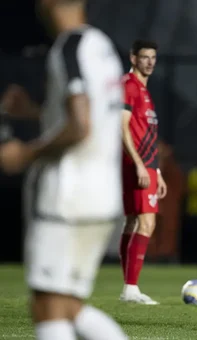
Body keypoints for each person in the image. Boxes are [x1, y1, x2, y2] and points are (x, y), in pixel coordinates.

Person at [0, 0, 127, 339]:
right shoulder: (103, 46)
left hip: (68, 194)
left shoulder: (69, 47)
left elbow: (81, 125)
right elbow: (91, 116)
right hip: (102, 194)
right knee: (67, 306)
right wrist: (34, 112)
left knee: (47, 307)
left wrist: (25, 154)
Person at [119, 40, 167, 304]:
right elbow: (122, 126)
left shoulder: (144, 91)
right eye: (144, 57)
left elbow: (146, 134)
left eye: (153, 57)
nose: (150, 61)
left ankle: (128, 287)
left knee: (132, 221)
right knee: (147, 222)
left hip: (146, 164)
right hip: (136, 163)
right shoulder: (129, 86)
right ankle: (131, 288)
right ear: (133, 58)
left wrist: (156, 170)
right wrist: (138, 163)